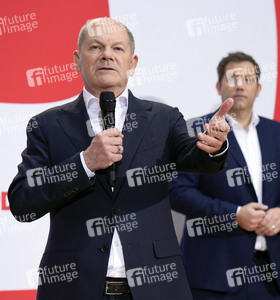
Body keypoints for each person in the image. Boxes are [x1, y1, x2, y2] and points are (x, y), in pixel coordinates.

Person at [8, 18, 234, 300]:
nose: (107, 55)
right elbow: (21, 202)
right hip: (74, 288)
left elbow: (194, 157)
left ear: (133, 61)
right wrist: (85, 163)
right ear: (77, 60)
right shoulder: (47, 125)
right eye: (95, 47)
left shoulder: (163, 118)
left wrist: (213, 148)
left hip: (156, 287)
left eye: (117, 48)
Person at [169, 51, 280, 300]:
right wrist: (235, 215)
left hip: (271, 273)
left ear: (259, 87)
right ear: (218, 86)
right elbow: (178, 192)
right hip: (214, 272)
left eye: (248, 79)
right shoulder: (197, 130)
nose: (240, 85)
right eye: (233, 78)